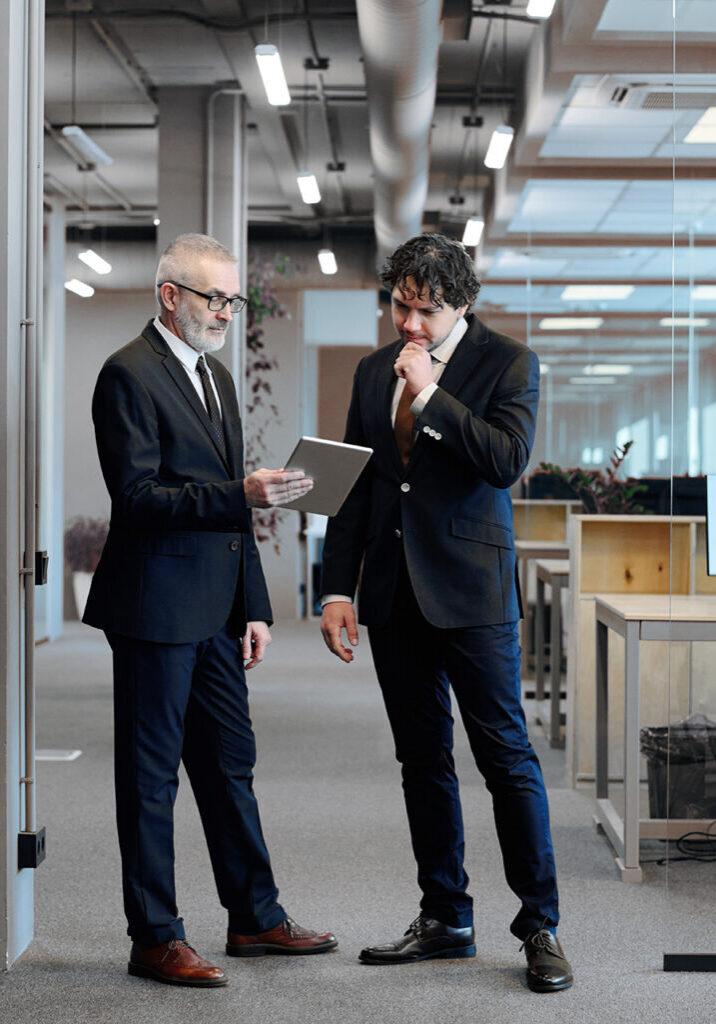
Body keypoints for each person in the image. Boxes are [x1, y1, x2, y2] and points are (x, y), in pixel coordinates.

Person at [320, 233, 572, 993]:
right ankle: (445, 917)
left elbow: (504, 460)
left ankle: (540, 927)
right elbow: (356, 488)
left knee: (506, 760)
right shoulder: (371, 373)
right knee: (422, 761)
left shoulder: (509, 363)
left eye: (426, 310)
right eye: (401, 305)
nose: (410, 324)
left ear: (461, 305)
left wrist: (431, 393)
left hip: (472, 593)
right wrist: (337, 588)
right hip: (394, 594)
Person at [83, 233, 337, 987]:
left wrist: (254, 605)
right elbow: (134, 500)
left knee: (231, 768)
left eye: (232, 299)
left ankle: (255, 915)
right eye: (213, 298)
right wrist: (243, 494)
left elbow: (235, 506)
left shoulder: (218, 378)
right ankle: (154, 936)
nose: (227, 311)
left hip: (219, 611)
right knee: (151, 779)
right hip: (154, 609)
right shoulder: (126, 374)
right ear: (170, 296)